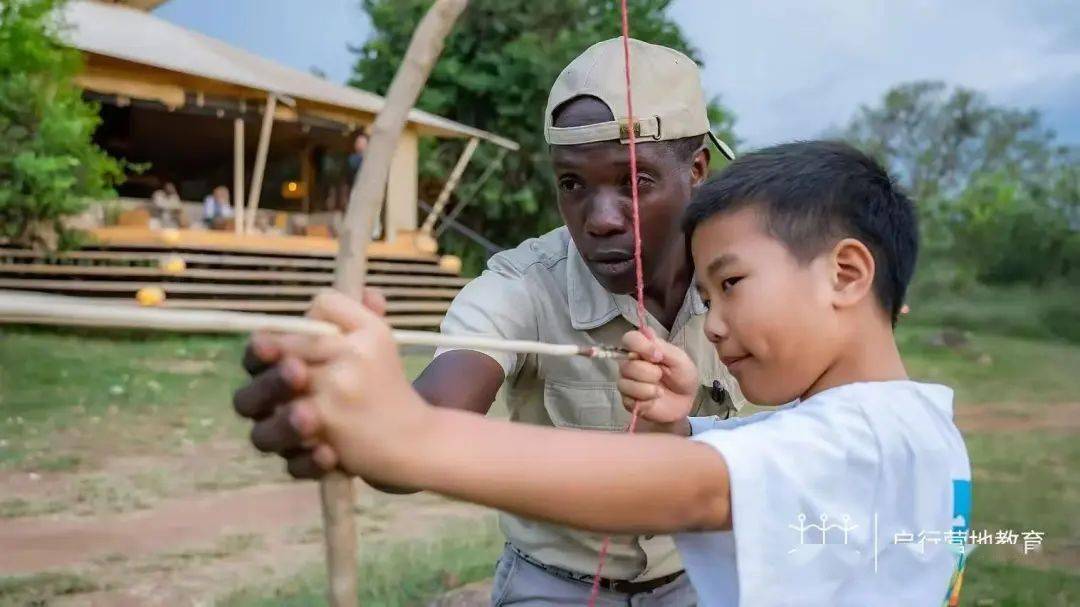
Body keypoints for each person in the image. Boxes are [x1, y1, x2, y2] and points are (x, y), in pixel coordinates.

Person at [251, 141, 972, 606]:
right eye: (707, 293)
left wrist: (409, 435)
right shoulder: (914, 422)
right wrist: (680, 422)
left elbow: (693, 488)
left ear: (845, 273)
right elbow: (768, 451)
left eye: (731, 282)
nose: (713, 322)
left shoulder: (858, 436)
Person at [235, 38, 739, 605]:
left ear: (696, 171)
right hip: (555, 588)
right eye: (572, 184)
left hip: (699, 582)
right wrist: (376, 423)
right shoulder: (520, 286)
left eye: (634, 182)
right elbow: (427, 420)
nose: (599, 220)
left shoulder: (745, 279)